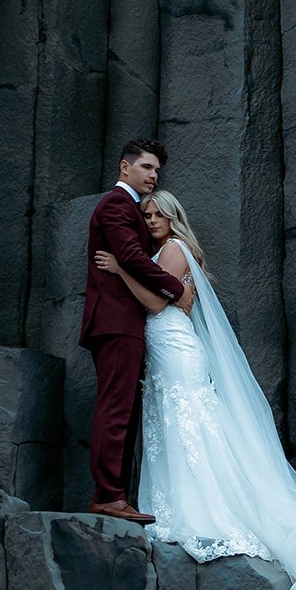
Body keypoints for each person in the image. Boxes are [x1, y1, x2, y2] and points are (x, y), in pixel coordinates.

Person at [94, 190, 296, 590]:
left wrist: (119, 269)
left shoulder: (172, 250)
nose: (151, 219)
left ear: (174, 218)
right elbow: (176, 300)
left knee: (187, 424)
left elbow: (155, 301)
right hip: (169, 350)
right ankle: (184, 499)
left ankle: (206, 506)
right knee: (180, 426)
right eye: (147, 214)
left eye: (159, 214)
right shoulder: (169, 251)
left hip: (174, 351)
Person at [80, 139, 192, 525]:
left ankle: (115, 495)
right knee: (115, 409)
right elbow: (129, 255)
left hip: (125, 322)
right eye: (146, 167)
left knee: (122, 410)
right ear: (124, 167)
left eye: (157, 170)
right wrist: (177, 289)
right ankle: (108, 496)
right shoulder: (115, 204)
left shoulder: (129, 208)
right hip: (115, 322)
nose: (153, 175)